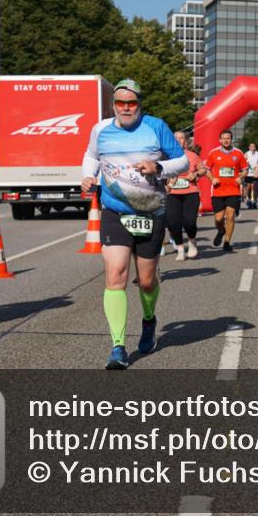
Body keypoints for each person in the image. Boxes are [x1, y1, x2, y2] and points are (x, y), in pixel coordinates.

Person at [81, 79, 189, 369]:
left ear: (139, 103)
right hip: (115, 211)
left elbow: (183, 163)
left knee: (146, 280)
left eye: (131, 103)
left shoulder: (156, 126)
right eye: (120, 103)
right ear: (113, 105)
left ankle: (149, 320)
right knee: (115, 274)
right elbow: (91, 155)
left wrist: (159, 167)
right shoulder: (100, 130)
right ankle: (117, 346)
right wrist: (88, 176)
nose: (126, 108)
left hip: (150, 212)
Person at [204, 129, 248, 253]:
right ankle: (221, 230)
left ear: (231, 139)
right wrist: (212, 179)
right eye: (224, 138)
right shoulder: (213, 153)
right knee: (218, 218)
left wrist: (241, 177)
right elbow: (206, 169)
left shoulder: (238, 153)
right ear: (220, 140)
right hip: (218, 190)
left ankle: (227, 242)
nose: (226, 140)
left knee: (230, 216)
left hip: (233, 190)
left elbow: (245, 169)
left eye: (228, 138)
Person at [166, 131, 206, 261]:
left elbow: (203, 169)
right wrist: (167, 183)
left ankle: (192, 242)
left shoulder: (193, 156)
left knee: (189, 221)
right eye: (175, 138)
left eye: (181, 138)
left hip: (190, 193)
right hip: (173, 194)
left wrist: (195, 174)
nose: (178, 140)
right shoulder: (167, 156)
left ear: (186, 141)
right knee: (173, 223)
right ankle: (180, 249)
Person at [243, 142, 258, 209]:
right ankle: (248, 200)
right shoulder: (246, 154)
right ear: (249, 147)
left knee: (254, 187)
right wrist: (246, 163)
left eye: (254, 146)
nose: (253, 147)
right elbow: (243, 162)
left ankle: (254, 201)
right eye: (251, 146)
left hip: (255, 173)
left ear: (255, 147)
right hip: (248, 173)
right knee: (248, 187)